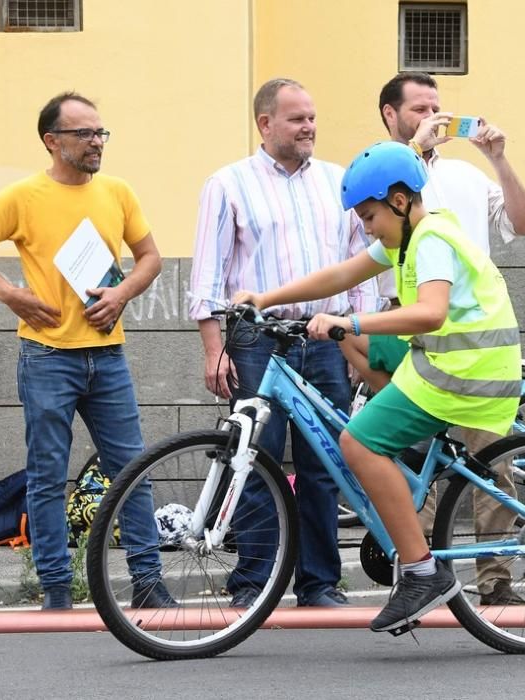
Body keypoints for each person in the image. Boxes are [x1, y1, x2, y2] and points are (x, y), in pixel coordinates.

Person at [234, 141, 523, 633]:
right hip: (444, 366)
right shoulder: (407, 238)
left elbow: (431, 311)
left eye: (369, 216)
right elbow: (343, 273)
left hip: (465, 374)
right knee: (376, 436)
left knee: (358, 442)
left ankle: (421, 571)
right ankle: (413, 531)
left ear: (399, 200)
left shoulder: (430, 239)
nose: (366, 228)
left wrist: (352, 323)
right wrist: (268, 297)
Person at [0, 92, 174, 610]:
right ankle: (56, 588)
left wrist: (121, 294)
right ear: (53, 141)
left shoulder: (117, 191)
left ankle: (147, 581)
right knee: (47, 475)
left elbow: (150, 258)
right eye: (84, 134)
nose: (96, 142)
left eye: (101, 133)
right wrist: (11, 295)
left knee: (132, 469)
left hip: (108, 354)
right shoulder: (22, 196)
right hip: (47, 356)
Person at [338, 71, 525, 606]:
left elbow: (524, 223)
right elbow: (354, 252)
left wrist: (498, 157)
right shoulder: (381, 170)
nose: (434, 116)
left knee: (491, 464)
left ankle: (493, 581)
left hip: (465, 337)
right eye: (420, 108)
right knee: (405, 456)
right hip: (404, 329)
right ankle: (418, 571)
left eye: (438, 106)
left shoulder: (466, 179)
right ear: (391, 115)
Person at [189, 78, 380, 608]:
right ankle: (254, 584)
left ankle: (319, 583)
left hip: (325, 338)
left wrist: (359, 346)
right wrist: (213, 349)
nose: (309, 127)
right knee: (255, 460)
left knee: (326, 463)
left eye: (313, 117)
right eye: (297, 118)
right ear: (265, 124)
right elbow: (208, 276)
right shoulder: (227, 185)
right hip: (258, 341)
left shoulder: (338, 183)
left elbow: (359, 268)